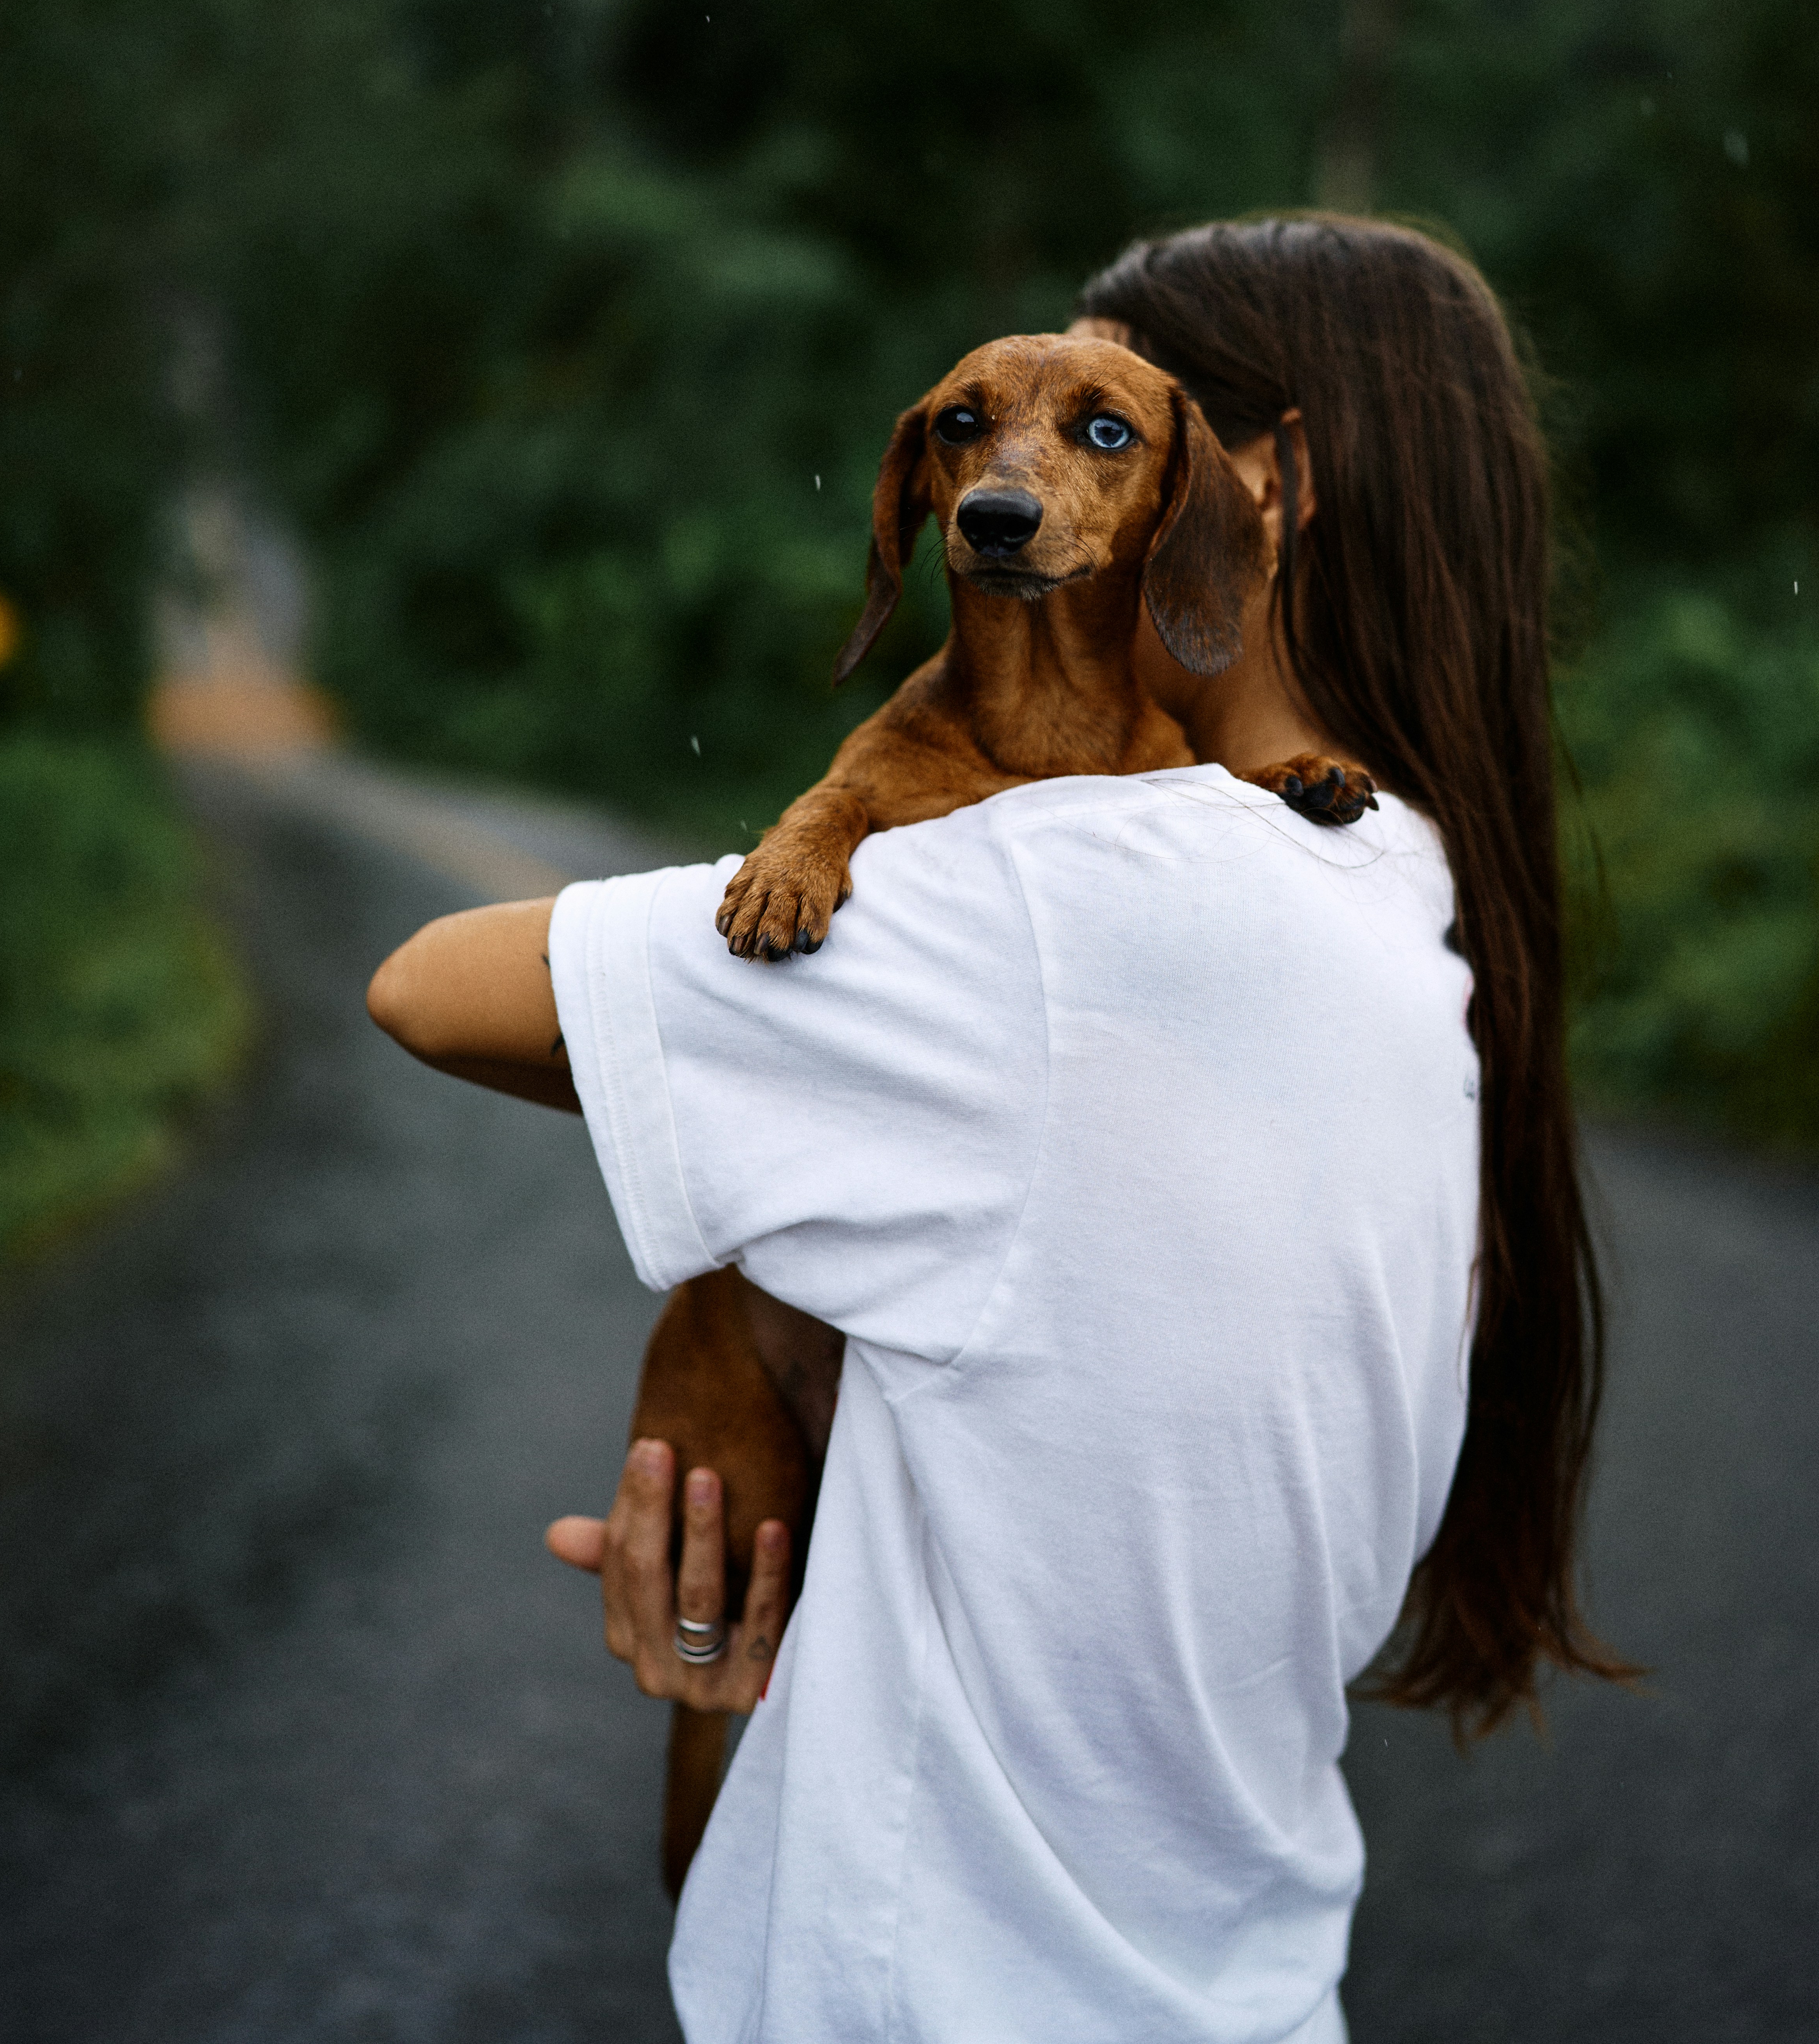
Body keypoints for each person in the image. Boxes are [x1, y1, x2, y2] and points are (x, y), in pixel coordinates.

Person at [368, 215, 1626, 2043]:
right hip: (1247, 1989)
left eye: (1106, 422)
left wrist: (720, 1668)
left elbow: (428, 985)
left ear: (1258, 490)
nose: (1014, 475)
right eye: (977, 431)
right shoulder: (1411, 911)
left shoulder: (1090, 900)